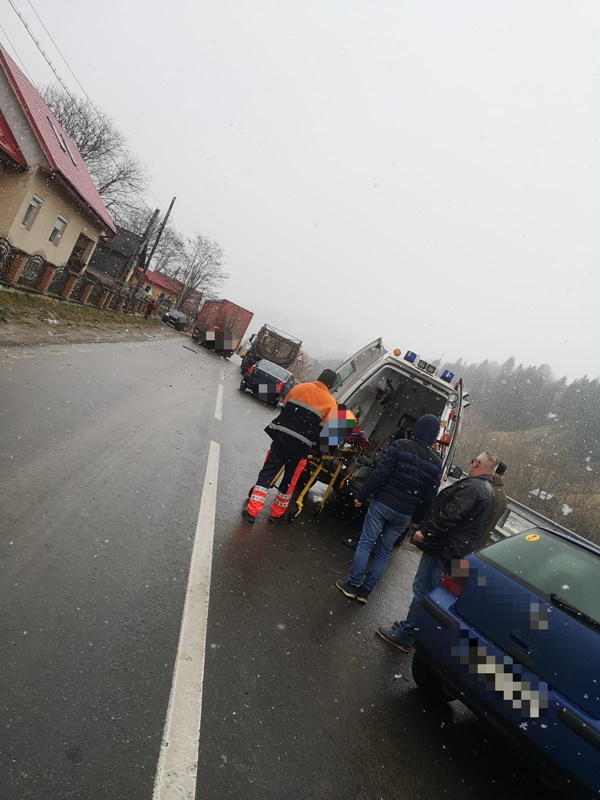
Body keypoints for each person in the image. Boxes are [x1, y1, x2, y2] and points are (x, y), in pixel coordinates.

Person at [376, 451, 499, 652]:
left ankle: (405, 635)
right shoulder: (488, 491)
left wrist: (426, 532)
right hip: (455, 549)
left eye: (472, 461)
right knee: (431, 591)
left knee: (423, 591)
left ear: (476, 463)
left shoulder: (473, 487)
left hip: (443, 547)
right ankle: (413, 627)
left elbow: (452, 515)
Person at [335, 414, 443, 604]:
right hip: (404, 514)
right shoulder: (436, 463)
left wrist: (362, 495)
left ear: (416, 428)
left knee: (366, 542)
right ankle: (366, 591)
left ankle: (352, 584)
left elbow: (380, 474)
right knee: (384, 551)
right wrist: (416, 519)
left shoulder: (400, 445)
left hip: (382, 504)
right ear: (434, 436)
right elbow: (429, 497)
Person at [242, 369, 338, 524]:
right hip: (301, 447)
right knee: (289, 481)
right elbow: (328, 436)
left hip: (281, 438)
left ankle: (251, 512)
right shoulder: (331, 403)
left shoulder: (299, 388)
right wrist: (321, 450)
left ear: (319, 377)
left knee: (267, 473)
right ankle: (276, 515)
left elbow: (285, 408)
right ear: (331, 385)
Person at [473, 459, 507, 549]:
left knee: (457, 563)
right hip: (475, 546)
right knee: (461, 562)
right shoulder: (501, 495)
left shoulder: (489, 492)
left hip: (466, 544)